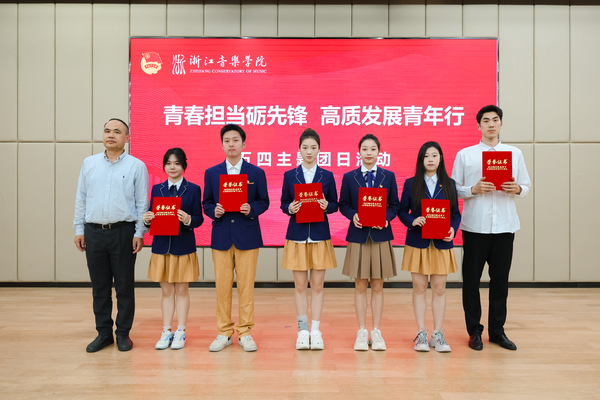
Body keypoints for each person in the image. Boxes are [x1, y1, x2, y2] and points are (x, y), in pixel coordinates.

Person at [451, 105, 531, 351]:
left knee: (500, 282)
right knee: (471, 282)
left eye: (495, 120)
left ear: (501, 124)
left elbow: (526, 186)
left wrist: (516, 188)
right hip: (475, 227)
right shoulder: (465, 155)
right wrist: (473, 189)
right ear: (478, 126)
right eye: (486, 120)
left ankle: (497, 331)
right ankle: (474, 331)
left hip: (505, 227)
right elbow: (453, 189)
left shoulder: (514, 153)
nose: (491, 124)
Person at [73, 118, 149, 352]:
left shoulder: (136, 166)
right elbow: (81, 198)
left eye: (117, 131)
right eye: (107, 131)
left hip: (123, 233)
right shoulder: (89, 163)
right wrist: (79, 229)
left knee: (124, 287)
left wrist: (139, 232)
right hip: (93, 232)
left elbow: (142, 203)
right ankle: (103, 333)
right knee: (100, 287)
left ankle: (123, 333)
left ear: (127, 138)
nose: (111, 135)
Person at [203, 124, 269, 352]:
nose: (231, 144)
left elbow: (264, 201)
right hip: (221, 236)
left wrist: (251, 209)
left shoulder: (256, 173)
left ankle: (245, 332)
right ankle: (224, 332)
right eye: (227, 140)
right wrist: (214, 211)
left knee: (246, 288)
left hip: (247, 236)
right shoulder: (212, 173)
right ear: (222, 144)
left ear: (243, 143)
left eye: (235, 140)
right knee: (222, 288)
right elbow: (206, 203)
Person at [339, 134, 400, 351]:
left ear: (379, 152)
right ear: (359, 152)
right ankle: (362, 331)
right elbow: (343, 204)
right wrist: (353, 215)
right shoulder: (349, 177)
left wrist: (387, 218)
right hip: (358, 236)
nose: (368, 153)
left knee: (378, 285)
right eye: (365, 149)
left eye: (373, 149)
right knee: (359, 285)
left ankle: (376, 331)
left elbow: (395, 205)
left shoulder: (388, 176)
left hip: (380, 236)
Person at [399, 141, 461, 353]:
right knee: (419, 287)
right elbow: (402, 211)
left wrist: (453, 228)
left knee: (439, 288)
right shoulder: (411, 183)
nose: (430, 159)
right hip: (418, 242)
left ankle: (438, 333)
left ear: (441, 158)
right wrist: (412, 221)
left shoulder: (449, 184)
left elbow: (455, 214)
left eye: (434, 155)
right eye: (426, 156)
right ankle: (421, 333)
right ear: (421, 160)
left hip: (442, 242)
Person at [280, 128, 338, 350]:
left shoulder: (327, 176)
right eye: (305, 147)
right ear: (299, 150)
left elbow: (335, 204)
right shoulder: (289, 175)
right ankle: (302, 330)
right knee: (299, 285)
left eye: (313, 147)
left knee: (318, 286)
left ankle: (316, 330)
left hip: (319, 236)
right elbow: (283, 203)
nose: (309, 151)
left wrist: (327, 206)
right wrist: (290, 208)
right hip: (297, 236)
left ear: (319, 150)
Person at [144, 148, 204, 350]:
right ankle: (166, 331)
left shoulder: (193, 189)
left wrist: (188, 219)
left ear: (184, 166)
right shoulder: (157, 189)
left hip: (183, 246)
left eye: (177, 163)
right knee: (166, 291)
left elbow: (199, 219)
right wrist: (147, 219)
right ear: (164, 166)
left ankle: (181, 331)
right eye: (168, 163)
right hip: (162, 246)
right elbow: (152, 215)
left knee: (182, 290)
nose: (172, 167)